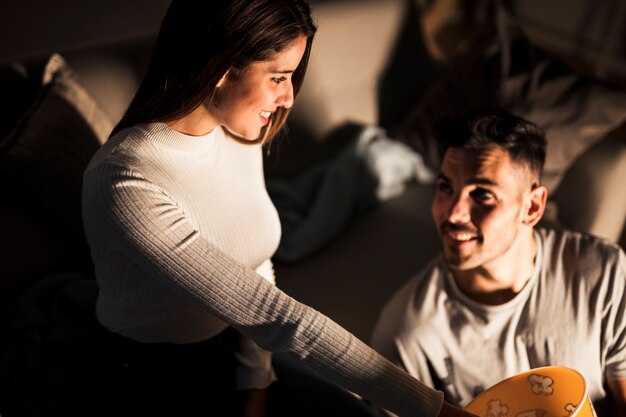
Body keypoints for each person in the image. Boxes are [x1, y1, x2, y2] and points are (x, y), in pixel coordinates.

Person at [81, 1, 475, 416]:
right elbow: (275, 316)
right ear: (220, 67)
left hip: (233, 345)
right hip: (152, 379)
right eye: (278, 77)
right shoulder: (124, 183)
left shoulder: (235, 131)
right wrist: (437, 411)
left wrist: (256, 382)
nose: (288, 97)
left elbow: (256, 262)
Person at [370, 106, 626, 417]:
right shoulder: (408, 334)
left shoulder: (603, 271)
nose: (452, 214)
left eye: (482, 195)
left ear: (532, 207)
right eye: (445, 188)